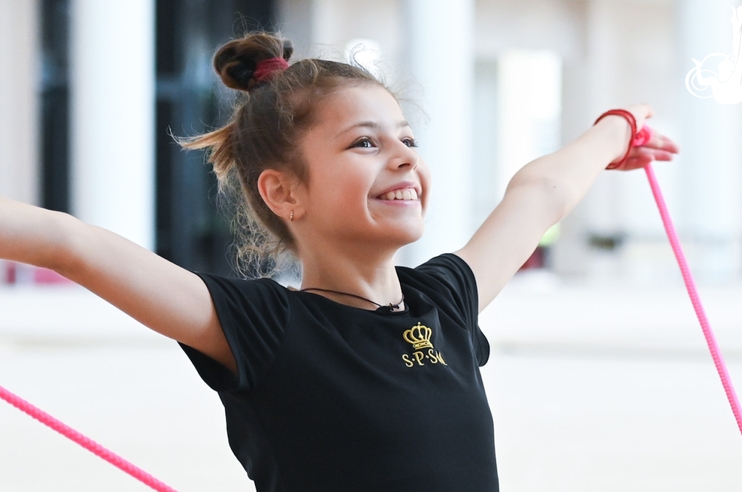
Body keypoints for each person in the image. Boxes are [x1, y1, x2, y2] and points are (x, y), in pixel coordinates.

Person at [0, 32, 678, 491]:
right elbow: (69, 242)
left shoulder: (443, 302)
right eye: (364, 143)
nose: (404, 156)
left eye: (406, 138)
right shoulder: (263, 326)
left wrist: (616, 127)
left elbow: (540, 193)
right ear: (284, 191)